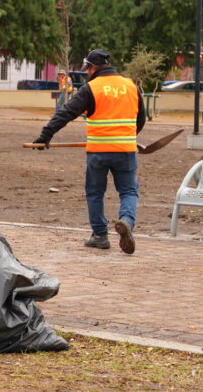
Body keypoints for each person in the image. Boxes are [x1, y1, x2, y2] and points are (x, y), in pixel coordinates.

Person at [32, 49, 145, 254]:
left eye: (88, 70)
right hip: (126, 150)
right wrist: (130, 136)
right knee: (128, 191)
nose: (87, 73)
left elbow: (66, 112)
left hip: (98, 151)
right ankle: (127, 221)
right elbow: (141, 119)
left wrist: (45, 136)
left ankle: (100, 235)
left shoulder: (91, 88)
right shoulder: (131, 86)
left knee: (95, 193)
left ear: (93, 67)